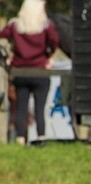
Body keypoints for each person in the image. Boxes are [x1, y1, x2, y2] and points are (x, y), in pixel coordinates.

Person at [0, 0, 60, 146]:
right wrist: (48, 56)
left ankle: (20, 139)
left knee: (21, 108)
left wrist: (9, 56)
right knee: (40, 109)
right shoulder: (46, 26)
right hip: (40, 71)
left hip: (21, 71)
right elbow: (54, 41)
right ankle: (41, 138)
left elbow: (2, 34)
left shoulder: (16, 25)